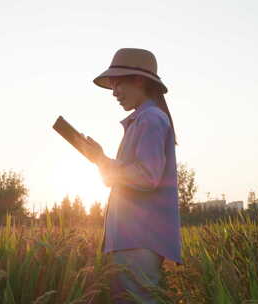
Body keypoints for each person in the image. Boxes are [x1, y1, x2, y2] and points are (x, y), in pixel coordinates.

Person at [82, 48, 182, 304]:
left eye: (118, 84)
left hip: (138, 239)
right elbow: (126, 177)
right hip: (133, 238)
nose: (114, 92)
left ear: (138, 80)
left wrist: (104, 162)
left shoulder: (150, 119)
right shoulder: (143, 119)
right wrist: (100, 160)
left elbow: (147, 176)